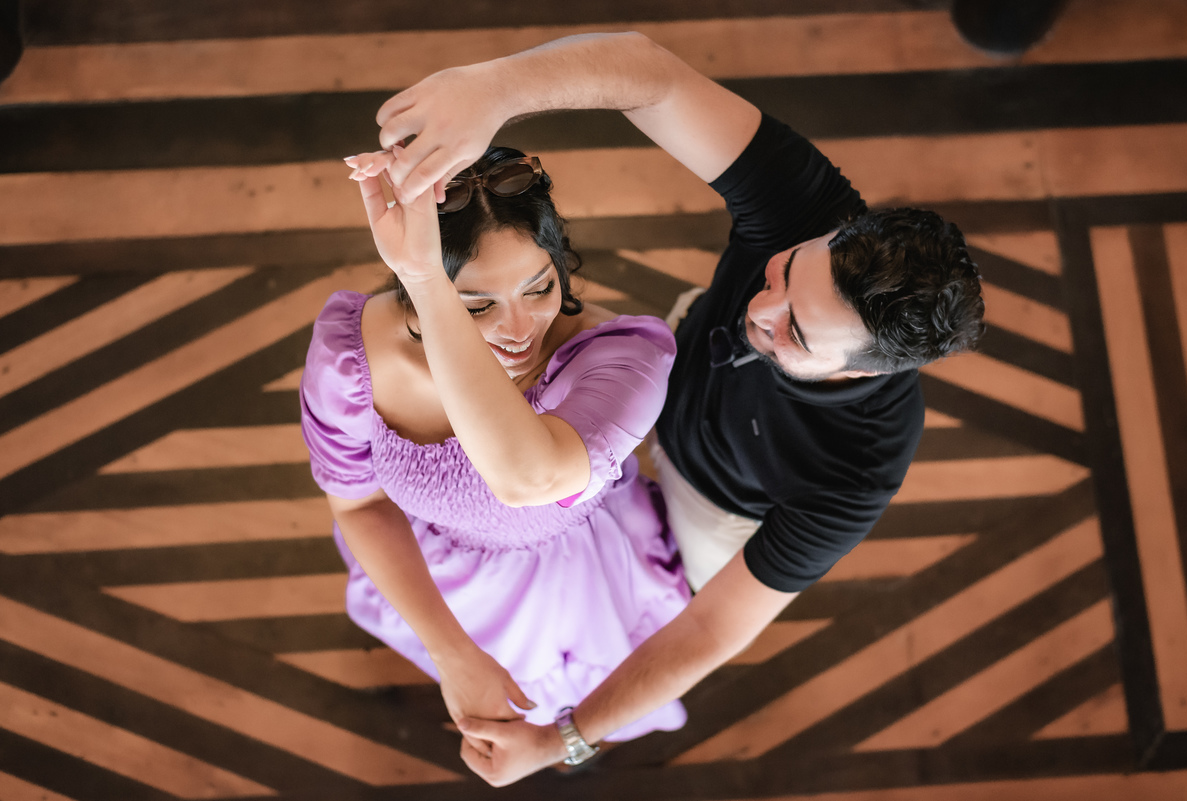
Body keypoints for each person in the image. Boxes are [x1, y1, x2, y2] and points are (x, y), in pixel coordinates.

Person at [368, 32, 986, 784]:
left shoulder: (858, 467)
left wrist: (564, 738)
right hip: (663, 394)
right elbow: (650, 75)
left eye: (793, 330)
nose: (761, 307)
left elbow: (713, 626)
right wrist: (496, 89)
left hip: (712, 510)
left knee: (624, 628)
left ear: (863, 371)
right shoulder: (810, 208)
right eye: (786, 271)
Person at [299, 144, 692, 751]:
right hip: (437, 571)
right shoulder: (352, 360)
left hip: (573, 576)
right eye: (477, 305)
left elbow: (530, 479)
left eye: (540, 288)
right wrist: (452, 652)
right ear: (415, 282)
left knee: (590, 705)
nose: (518, 330)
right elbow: (357, 506)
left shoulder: (623, 358)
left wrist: (439, 288)